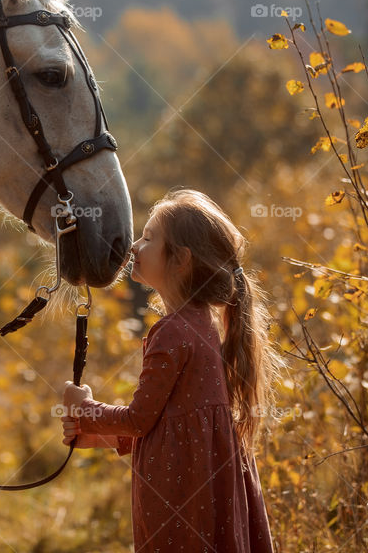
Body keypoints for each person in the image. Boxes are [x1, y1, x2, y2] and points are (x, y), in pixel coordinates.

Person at [61, 188, 280, 552]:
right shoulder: (203, 325)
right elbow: (172, 425)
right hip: (200, 492)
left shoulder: (172, 332)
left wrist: (83, 406)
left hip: (177, 498)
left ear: (180, 259)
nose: (133, 246)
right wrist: (92, 432)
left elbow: (138, 420)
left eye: (148, 238)